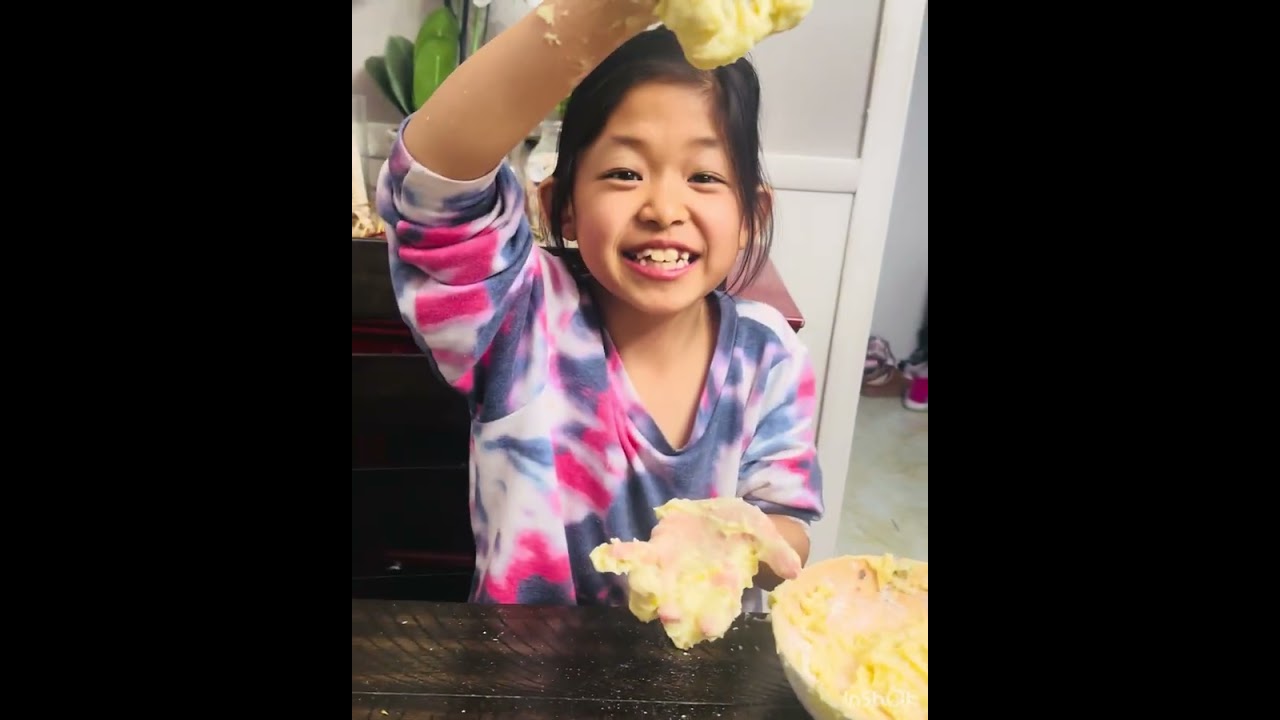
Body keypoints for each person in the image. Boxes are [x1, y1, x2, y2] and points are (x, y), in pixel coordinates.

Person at [375, 0, 824, 608]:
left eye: (704, 177)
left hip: (698, 688)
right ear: (561, 205)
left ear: (751, 215)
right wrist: (603, 12)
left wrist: (745, 548)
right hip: (523, 683)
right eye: (623, 173)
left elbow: (789, 525)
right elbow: (432, 182)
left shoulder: (768, 355)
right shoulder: (523, 319)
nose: (664, 209)